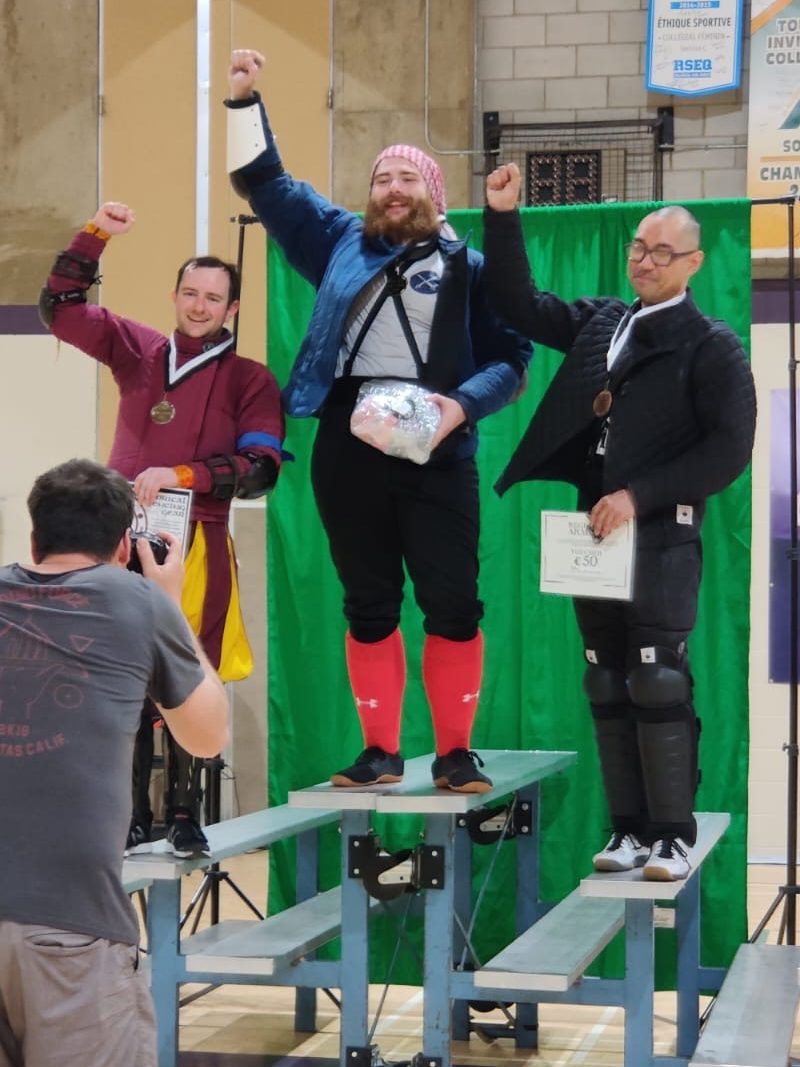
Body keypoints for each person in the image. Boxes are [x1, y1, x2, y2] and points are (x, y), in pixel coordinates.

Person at [224, 49, 531, 793]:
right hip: (347, 443)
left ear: (434, 193)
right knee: (367, 599)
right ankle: (380, 750)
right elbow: (265, 183)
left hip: (440, 447)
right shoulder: (336, 241)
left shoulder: (472, 267)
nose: (391, 188)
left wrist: (459, 406)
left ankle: (456, 751)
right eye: (379, 179)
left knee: (453, 600)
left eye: (406, 178)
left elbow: (513, 357)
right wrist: (242, 99)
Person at [483, 162, 756, 880]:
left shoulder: (712, 345)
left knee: (657, 676)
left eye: (662, 251)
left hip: (661, 536)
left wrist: (640, 494)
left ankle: (673, 831)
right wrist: (504, 217)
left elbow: (729, 450)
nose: (645, 259)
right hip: (593, 535)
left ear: (694, 262)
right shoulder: (603, 322)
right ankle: (628, 829)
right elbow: (518, 301)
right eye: (638, 246)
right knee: (604, 676)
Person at [40, 207, 285, 857]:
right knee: (120, 673)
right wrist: (93, 237)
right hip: (116, 544)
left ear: (232, 309)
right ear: (175, 296)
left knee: (185, 674)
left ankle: (183, 812)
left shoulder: (251, 379)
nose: (200, 305)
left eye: (214, 298)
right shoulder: (138, 349)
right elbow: (59, 306)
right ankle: (127, 815)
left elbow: (260, 471)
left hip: (197, 545)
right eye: (191, 293)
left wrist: (181, 472)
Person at [0, 458, 229, 1067]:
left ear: (33, 539)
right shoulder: (138, 602)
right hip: (69, 924)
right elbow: (208, 737)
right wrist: (170, 602)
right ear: (126, 544)